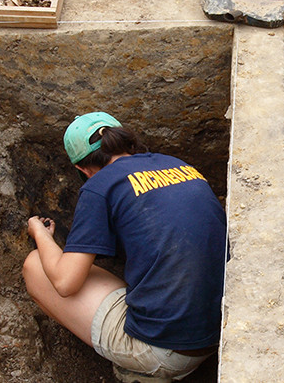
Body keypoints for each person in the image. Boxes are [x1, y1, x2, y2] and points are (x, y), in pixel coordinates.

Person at [22, 112, 227, 381]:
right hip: (223, 331)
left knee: (36, 265)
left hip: (166, 351)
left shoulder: (98, 186)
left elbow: (65, 282)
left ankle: (138, 370)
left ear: (82, 169)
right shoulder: (178, 165)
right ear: (125, 141)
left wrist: (41, 235)